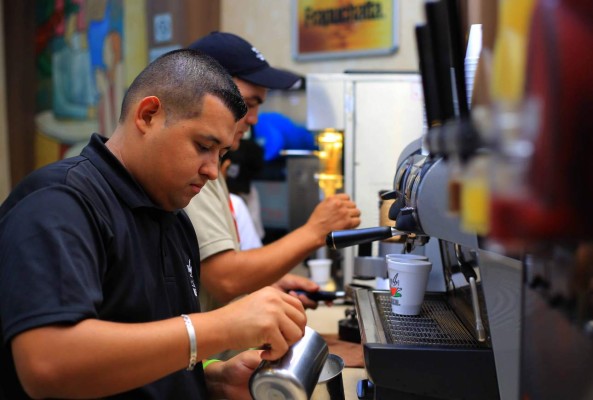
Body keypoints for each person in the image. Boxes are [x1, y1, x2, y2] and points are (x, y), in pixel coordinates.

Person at [0, 49, 306, 399]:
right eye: (203, 145)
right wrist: (221, 327)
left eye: (220, 153)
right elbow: (48, 363)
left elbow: (146, 357)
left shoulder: (173, 218)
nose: (211, 169)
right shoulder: (59, 203)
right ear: (148, 115)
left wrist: (212, 380)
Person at [184, 32, 362, 313]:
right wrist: (316, 230)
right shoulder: (191, 168)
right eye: (248, 104)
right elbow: (225, 278)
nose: (253, 119)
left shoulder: (212, 164)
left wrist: (266, 286)